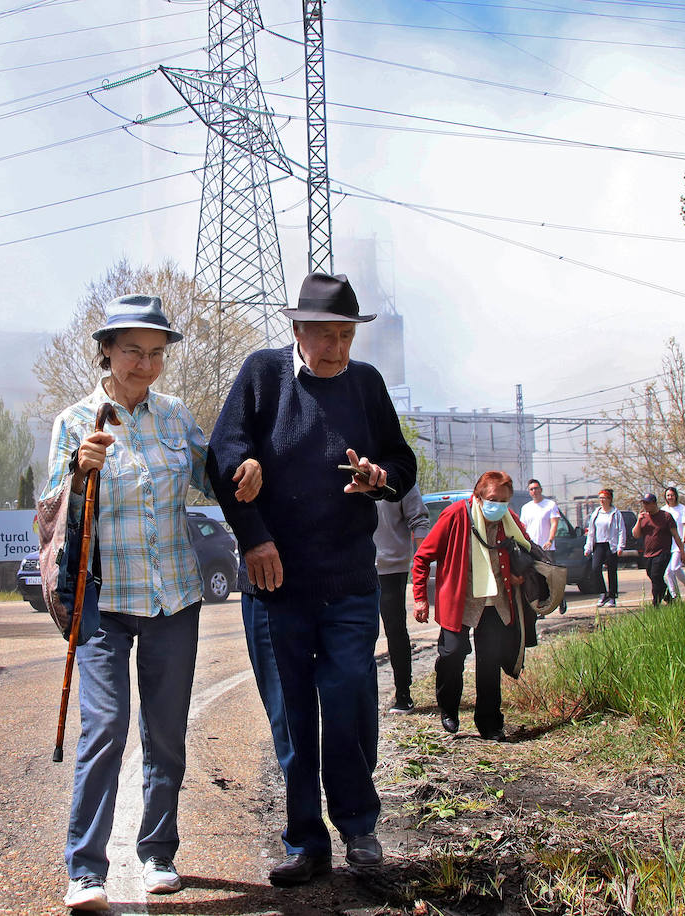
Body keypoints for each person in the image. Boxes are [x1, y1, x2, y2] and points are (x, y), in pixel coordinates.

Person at [44, 295, 263, 911]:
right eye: (133, 351)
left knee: (165, 732)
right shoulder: (74, 422)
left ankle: (157, 852)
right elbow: (48, 517)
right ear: (106, 350)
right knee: (107, 725)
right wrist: (77, 472)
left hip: (173, 595)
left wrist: (243, 469)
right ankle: (85, 868)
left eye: (156, 353)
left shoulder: (174, 417)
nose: (145, 363)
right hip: (102, 600)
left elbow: (210, 474)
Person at [207, 272, 417, 887]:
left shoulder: (367, 385)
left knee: (349, 699)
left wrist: (381, 477)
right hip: (276, 588)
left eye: (345, 335)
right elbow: (221, 454)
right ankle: (305, 842)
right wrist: (253, 534)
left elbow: (402, 462)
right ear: (297, 330)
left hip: (350, 581)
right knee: (292, 716)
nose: (336, 347)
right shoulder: (262, 376)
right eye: (323, 335)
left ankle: (359, 826)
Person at [412, 470, 531, 741]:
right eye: (492, 498)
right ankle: (449, 709)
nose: (497, 505)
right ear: (478, 495)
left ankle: (490, 724)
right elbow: (422, 557)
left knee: (490, 664)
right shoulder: (455, 515)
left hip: (496, 604)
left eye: (503, 500)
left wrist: (519, 572)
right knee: (452, 656)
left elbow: (526, 551)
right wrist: (421, 597)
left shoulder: (509, 520)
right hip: (461, 602)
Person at [375, 484, 431, 713]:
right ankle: (358, 698)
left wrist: (422, 565)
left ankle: (403, 695)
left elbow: (419, 520)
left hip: (391, 568)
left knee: (395, 630)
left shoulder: (399, 476)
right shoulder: (347, 470)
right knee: (355, 634)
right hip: (354, 567)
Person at [632, 493, 684, 605]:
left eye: (647, 503)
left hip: (663, 552)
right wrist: (638, 520)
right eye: (643, 503)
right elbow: (636, 535)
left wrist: (682, 552)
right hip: (648, 553)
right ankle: (667, 594)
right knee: (652, 575)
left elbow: (675, 535)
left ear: (654, 503)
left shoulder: (666, 516)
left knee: (656, 575)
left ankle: (656, 602)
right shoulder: (644, 518)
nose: (645, 506)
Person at [583, 489, 625, 607]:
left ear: (610, 499)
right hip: (599, 545)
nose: (602, 500)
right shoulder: (596, 513)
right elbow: (591, 531)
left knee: (612, 571)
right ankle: (603, 593)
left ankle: (612, 596)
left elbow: (621, 530)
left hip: (611, 545)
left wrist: (620, 546)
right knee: (595, 568)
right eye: (600, 498)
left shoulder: (615, 513)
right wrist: (588, 547)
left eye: (604, 498)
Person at [663, 486, 685, 599]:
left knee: (675, 568)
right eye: (668, 496)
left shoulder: (682, 508)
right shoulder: (664, 509)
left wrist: (683, 539)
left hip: (678, 543)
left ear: (676, 496)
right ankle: (674, 595)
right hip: (667, 543)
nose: (670, 497)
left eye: (672, 495)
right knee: (668, 571)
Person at [519, 479, 559, 551]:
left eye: (536, 488)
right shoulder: (525, 508)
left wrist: (550, 541)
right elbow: (523, 527)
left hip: (546, 547)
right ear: (529, 492)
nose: (534, 491)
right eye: (531, 489)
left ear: (541, 490)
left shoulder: (551, 505)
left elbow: (554, 524)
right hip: (532, 548)